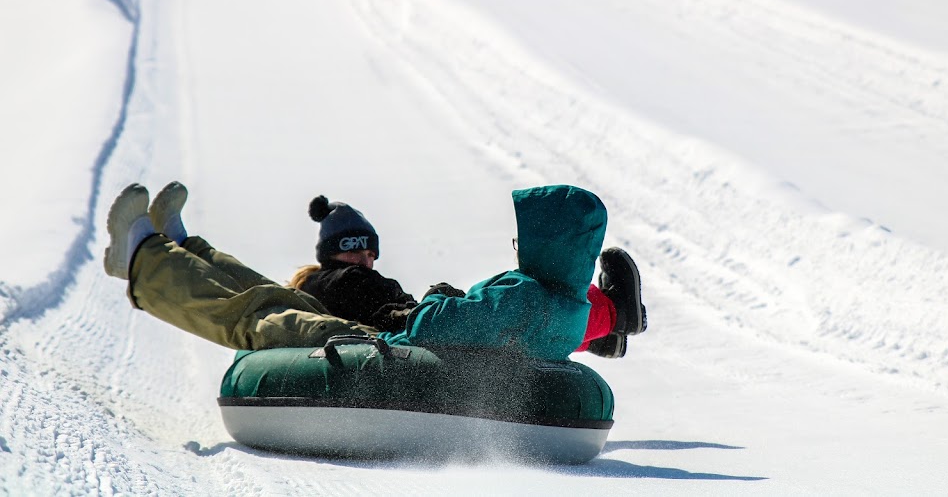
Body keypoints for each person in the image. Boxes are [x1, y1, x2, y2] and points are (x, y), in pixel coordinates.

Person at [103, 182, 647, 359]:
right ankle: (177, 247)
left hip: (385, 341)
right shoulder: (547, 294)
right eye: (352, 250)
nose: (363, 258)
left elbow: (467, 327)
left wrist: (429, 304)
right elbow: (500, 324)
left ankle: (146, 261)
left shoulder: (538, 297)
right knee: (262, 293)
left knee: (265, 309)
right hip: (387, 332)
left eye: (368, 250)